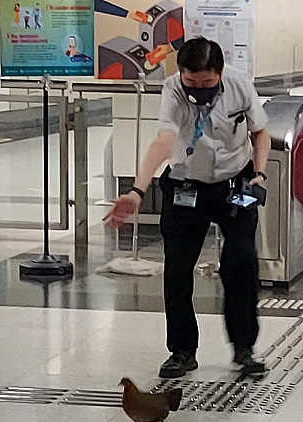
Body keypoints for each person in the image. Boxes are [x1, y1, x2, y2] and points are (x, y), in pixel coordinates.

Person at [105, 38, 271, 379]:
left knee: (240, 264)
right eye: (191, 82)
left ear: (220, 74)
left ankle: (244, 348)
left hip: (235, 186)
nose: (198, 90)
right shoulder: (173, 90)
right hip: (186, 188)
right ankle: (182, 351)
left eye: (207, 84)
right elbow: (164, 141)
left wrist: (260, 171)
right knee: (178, 272)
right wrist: (138, 190)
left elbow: (261, 132)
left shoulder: (239, 84)